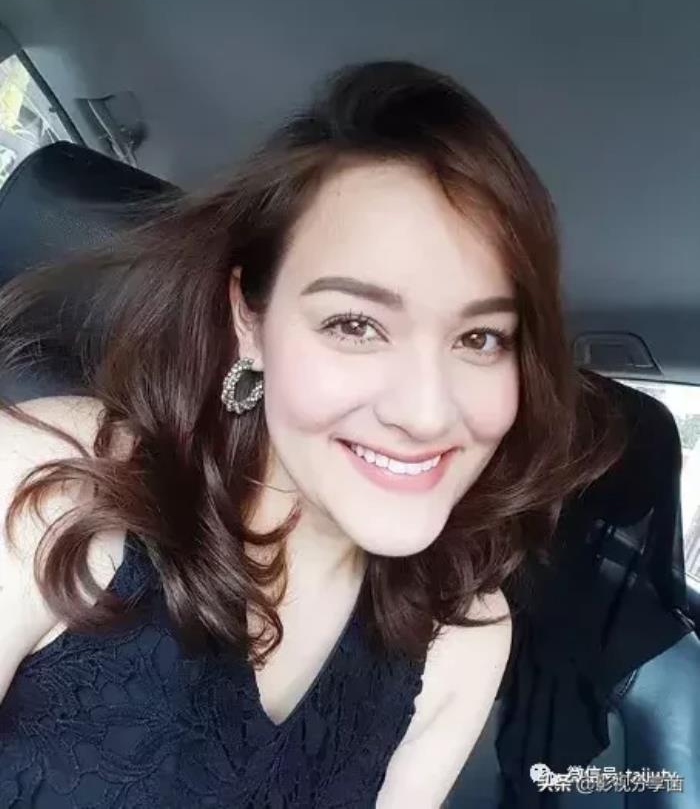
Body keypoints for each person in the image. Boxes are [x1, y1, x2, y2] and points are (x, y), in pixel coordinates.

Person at [0, 60, 621, 808]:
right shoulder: (46, 482)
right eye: (354, 325)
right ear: (249, 320)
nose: (427, 413)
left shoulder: (466, 636)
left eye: (481, 338)